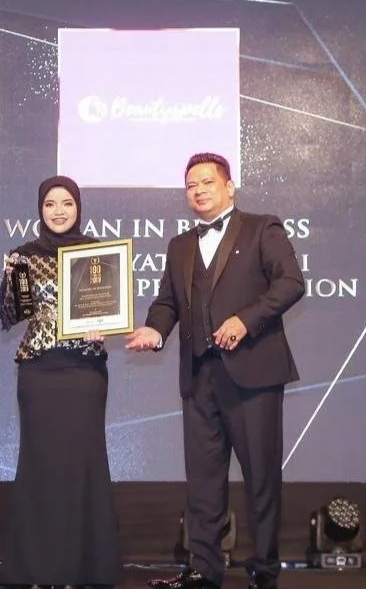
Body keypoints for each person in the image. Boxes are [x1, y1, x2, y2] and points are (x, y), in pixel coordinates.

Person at [125, 153, 304, 589]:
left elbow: (291, 283)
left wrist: (246, 319)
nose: (199, 190)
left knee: (261, 477)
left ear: (229, 187)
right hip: (199, 376)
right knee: (203, 480)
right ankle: (203, 569)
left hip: (254, 375)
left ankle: (265, 571)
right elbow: (168, 302)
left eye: (207, 182)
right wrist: (155, 329)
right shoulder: (180, 245)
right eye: (191, 185)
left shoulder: (264, 228)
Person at [0, 176, 124, 589]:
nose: (58, 211)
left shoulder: (97, 253)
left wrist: (102, 326)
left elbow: (107, 313)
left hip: (85, 373)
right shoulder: (23, 255)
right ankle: (37, 570)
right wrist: (11, 278)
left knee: (82, 465)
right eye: (50, 203)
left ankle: (83, 569)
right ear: (40, 208)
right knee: (40, 466)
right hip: (39, 373)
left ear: (78, 207)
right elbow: (14, 314)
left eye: (66, 203)